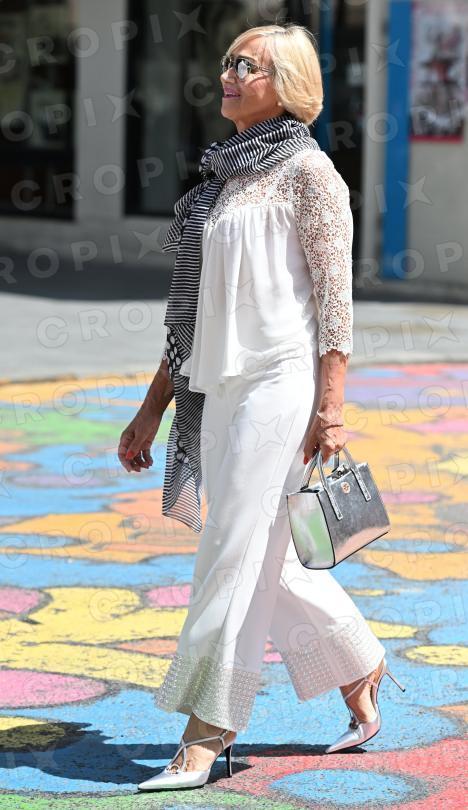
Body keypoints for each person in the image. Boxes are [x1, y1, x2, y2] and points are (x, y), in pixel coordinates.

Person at [118, 23, 405, 793]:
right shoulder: (222, 179)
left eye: (246, 64)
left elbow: (336, 306)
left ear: (287, 84)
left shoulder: (311, 173)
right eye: (228, 61)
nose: (228, 72)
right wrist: (151, 409)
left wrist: (331, 411)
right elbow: (193, 316)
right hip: (216, 387)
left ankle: (209, 729)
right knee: (261, 548)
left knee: (231, 550)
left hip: (281, 385)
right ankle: (360, 663)